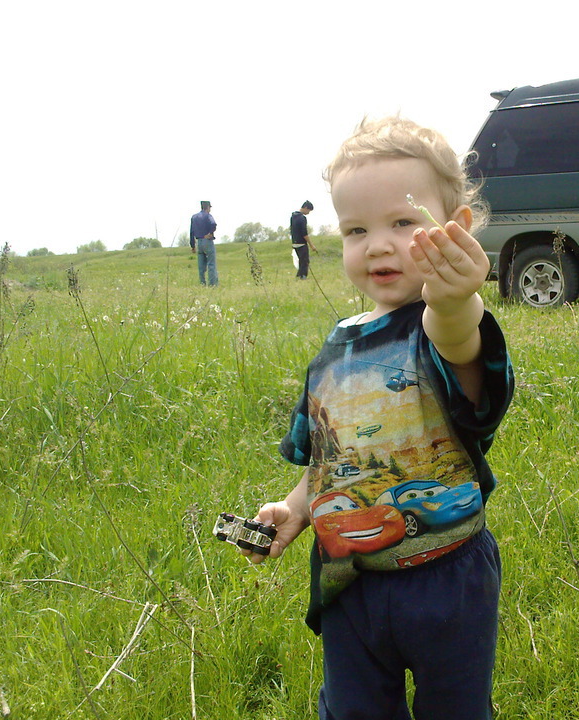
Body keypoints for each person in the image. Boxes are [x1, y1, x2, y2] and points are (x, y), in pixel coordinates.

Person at [242, 117, 515, 720]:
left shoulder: (445, 325)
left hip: (447, 578)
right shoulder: (337, 344)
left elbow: (458, 342)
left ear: (455, 228)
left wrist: (455, 299)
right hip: (351, 581)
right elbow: (329, 457)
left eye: (403, 223)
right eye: (357, 229)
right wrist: (295, 508)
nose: (378, 245)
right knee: (352, 710)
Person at [190, 200, 218, 286]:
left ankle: (202, 283)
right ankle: (212, 284)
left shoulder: (194, 217)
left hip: (199, 242)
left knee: (201, 266)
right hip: (207, 241)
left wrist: (193, 246)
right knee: (211, 264)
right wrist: (210, 233)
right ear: (208, 207)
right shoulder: (208, 216)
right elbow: (213, 224)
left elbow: (191, 232)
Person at [290, 200, 316, 279]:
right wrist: (311, 245)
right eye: (309, 211)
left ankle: (299, 276)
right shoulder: (302, 218)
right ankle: (302, 277)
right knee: (305, 261)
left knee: (301, 261)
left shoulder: (293, 216)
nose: (308, 213)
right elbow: (304, 233)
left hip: (294, 242)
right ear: (305, 207)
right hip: (301, 243)